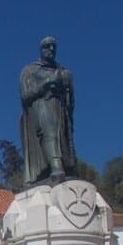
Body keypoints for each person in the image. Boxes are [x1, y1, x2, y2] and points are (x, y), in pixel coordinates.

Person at [19, 36, 76, 185]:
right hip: (41, 106)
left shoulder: (63, 71)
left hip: (60, 109)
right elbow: (25, 95)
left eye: (53, 47)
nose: (51, 49)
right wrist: (45, 84)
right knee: (49, 134)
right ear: (41, 49)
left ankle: (65, 167)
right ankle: (56, 167)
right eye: (47, 46)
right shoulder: (30, 70)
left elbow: (71, 99)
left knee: (61, 138)